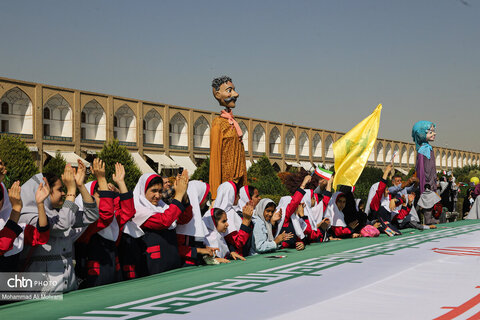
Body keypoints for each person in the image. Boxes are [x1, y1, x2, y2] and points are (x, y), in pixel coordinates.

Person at [19, 162, 99, 293]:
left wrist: (81, 186)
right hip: (41, 292)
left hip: (68, 287)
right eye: (60, 189)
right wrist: (71, 191)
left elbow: (91, 216)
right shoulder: (27, 216)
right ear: (43, 190)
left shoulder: (59, 212)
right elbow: (63, 225)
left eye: (64, 189)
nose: (63, 193)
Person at [75, 160, 135, 288]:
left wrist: (121, 183)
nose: (105, 199)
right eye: (100, 195)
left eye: (106, 195)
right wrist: (101, 179)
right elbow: (105, 215)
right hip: (94, 276)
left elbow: (128, 212)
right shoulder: (86, 221)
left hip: (114, 270)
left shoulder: (112, 221)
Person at [129, 171, 192, 275]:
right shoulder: (138, 210)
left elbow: (185, 218)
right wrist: (178, 195)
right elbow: (164, 221)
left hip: (172, 263)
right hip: (153, 267)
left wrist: (183, 194)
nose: (157, 196)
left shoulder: (163, 207)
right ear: (143, 190)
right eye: (153, 191)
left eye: (160, 191)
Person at [209, 76, 247, 199]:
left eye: (233, 90)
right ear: (218, 94)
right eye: (229, 90)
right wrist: (215, 195)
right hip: (226, 187)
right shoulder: (218, 124)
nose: (236, 94)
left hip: (238, 184)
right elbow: (215, 159)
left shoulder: (233, 122)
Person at [176, 181, 214, 266]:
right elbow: (178, 248)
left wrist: (206, 249)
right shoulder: (183, 218)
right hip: (184, 265)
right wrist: (200, 250)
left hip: (195, 263)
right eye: (206, 196)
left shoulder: (197, 217)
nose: (206, 200)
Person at [412, 121, 437, 194]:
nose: (434, 134)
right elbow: (421, 171)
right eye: (431, 132)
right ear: (421, 134)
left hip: (431, 185)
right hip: (426, 187)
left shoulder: (428, 148)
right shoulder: (422, 150)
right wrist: (423, 190)